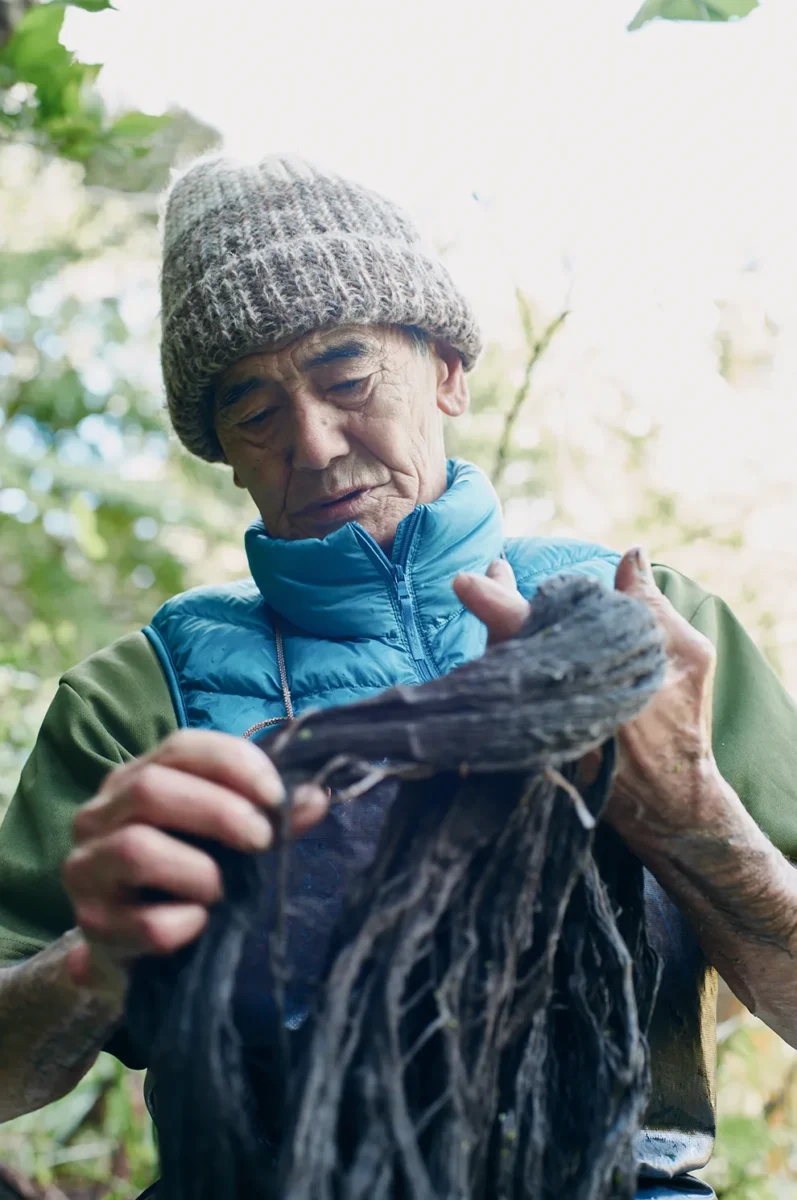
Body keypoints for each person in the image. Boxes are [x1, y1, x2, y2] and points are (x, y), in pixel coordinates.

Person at [0, 155, 796, 1200]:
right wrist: (96, 961)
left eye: (347, 380)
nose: (314, 442)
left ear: (447, 372)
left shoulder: (649, 630)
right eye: (254, 412)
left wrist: (690, 815)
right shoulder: (138, 702)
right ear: (223, 454)